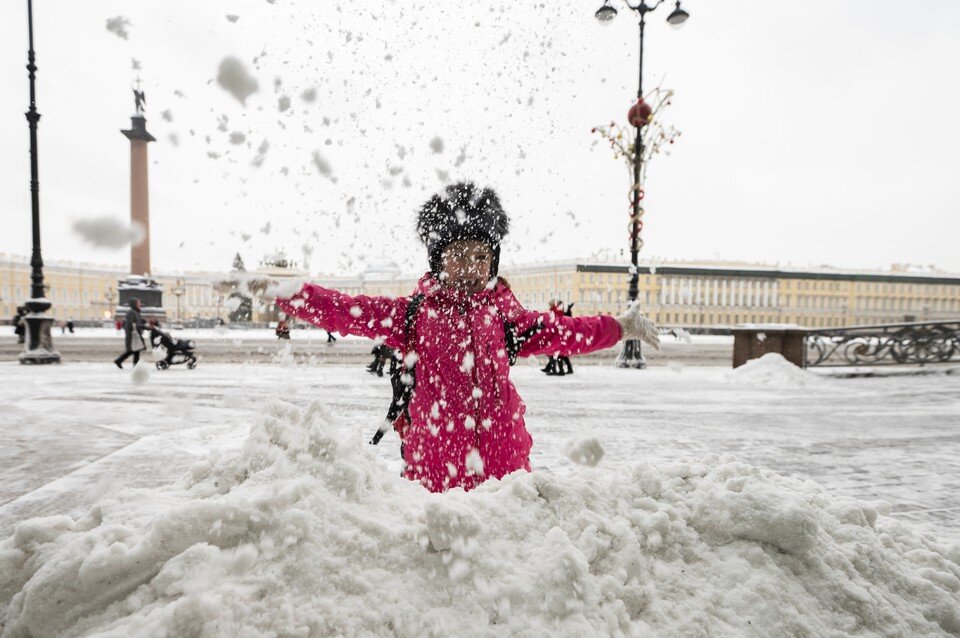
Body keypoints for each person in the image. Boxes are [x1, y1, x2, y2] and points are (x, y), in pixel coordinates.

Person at [275, 182, 659, 493]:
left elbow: (565, 331)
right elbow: (345, 309)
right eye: (459, 255)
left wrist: (620, 327)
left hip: (505, 472)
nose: (471, 267)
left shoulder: (506, 318)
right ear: (437, 259)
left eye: (481, 256)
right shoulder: (413, 315)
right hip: (436, 473)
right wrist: (282, 293)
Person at [114, 298, 146, 368]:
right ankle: (133, 366)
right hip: (132, 336)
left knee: (135, 350)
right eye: (138, 303)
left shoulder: (136, 312)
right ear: (134, 304)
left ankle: (121, 361)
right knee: (134, 350)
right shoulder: (132, 312)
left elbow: (136, 322)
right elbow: (131, 324)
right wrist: (143, 326)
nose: (140, 304)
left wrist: (143, 322)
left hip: (135, 335)